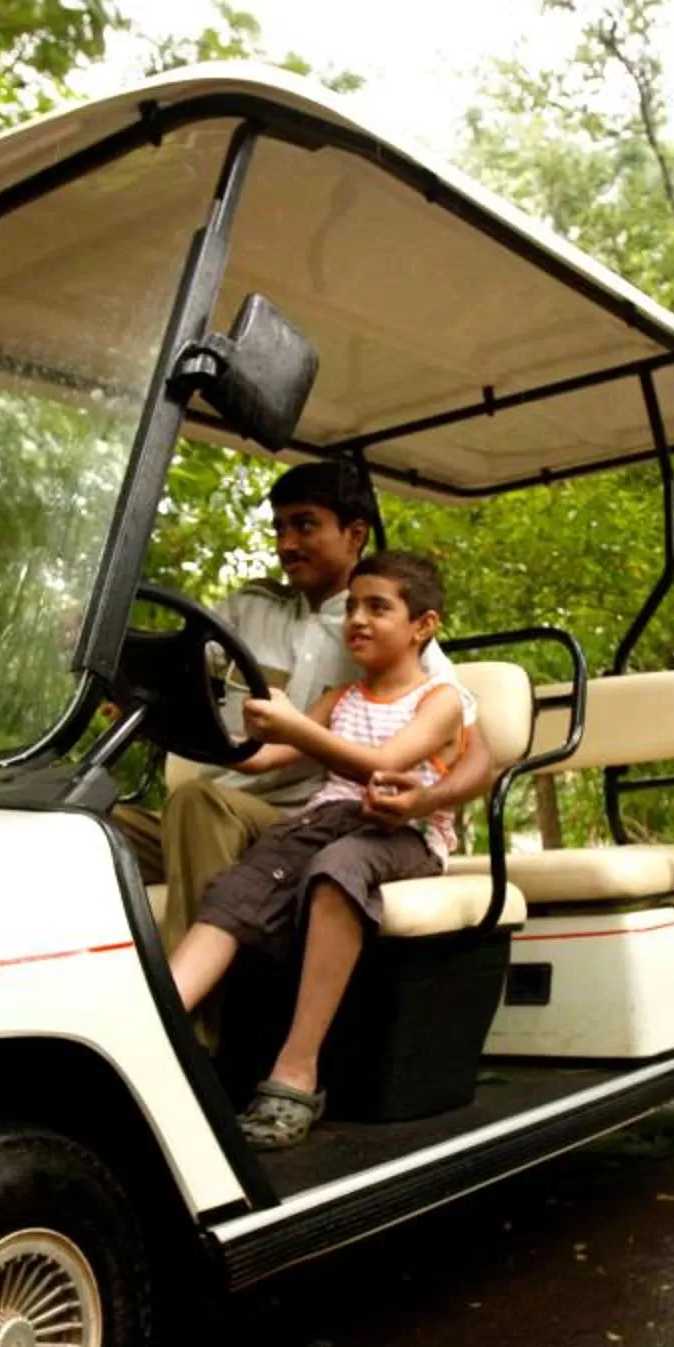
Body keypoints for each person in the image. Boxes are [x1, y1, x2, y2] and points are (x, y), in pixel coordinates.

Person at [115, 459, 490, 941]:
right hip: (211, 809)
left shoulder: (389, 638)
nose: (286, 544)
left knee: (197, 804)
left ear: (354, 535)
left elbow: (477, 758)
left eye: (305, 525)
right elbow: (173, 671)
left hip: (296, 820)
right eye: (280, 528)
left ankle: (190, 1015)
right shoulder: (247, 609)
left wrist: (426, 801)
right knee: (85, 823)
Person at [167, 551, 463, 1149]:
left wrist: (298, 728)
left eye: (378, 607)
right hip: (321, 822)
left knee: (336, 870)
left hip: (400, 834)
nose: (357, 618)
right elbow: (269, 756)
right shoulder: (344, 696)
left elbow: (385, 764)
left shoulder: (441, 700)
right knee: (236, 889)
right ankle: (159, 1030)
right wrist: (193, 726)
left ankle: (297, 1071)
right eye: (353, 606)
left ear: (422, 627)